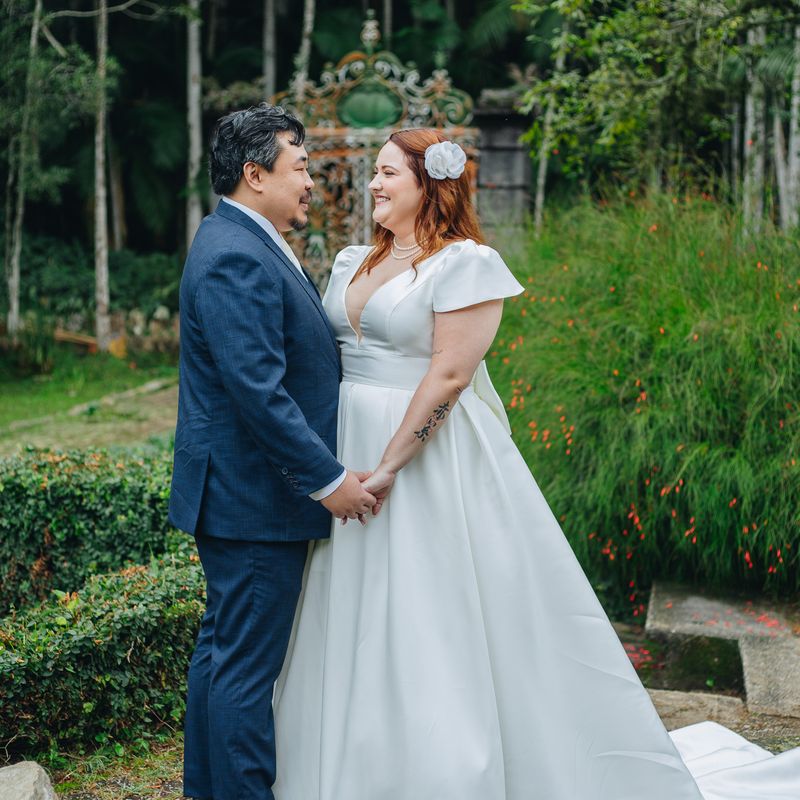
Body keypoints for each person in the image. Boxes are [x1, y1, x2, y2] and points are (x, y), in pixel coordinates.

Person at [272, 128, 800, 799]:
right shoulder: (350, 261)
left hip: (422, 460)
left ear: (428, 184)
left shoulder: (465, 264)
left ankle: (438, 765)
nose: (373, 185)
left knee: (428, 609)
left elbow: (450, 375)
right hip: (345, 445)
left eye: (386, 174)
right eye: (374, 173)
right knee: (344, 604)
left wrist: (389, 467)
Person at [168, 103, 376, 800]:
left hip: (239, 492)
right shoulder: (233, 253)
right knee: (245, 671)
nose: (312, 182)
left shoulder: (242, 236)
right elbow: (259, 391)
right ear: (256, 175)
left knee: (224, 655)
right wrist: (327, 479)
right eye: (302, 167)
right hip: (253, 496)